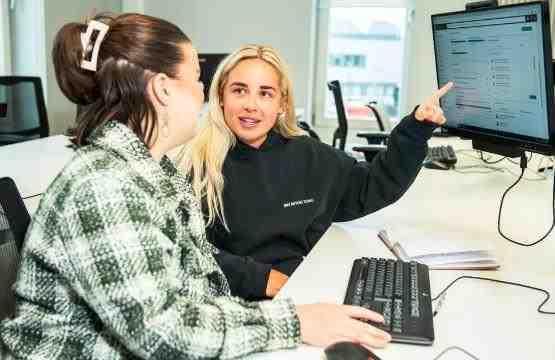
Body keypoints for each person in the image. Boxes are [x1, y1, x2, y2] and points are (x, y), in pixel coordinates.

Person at [0, 15, 391, 360]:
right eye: (198, 80)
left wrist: (295, 309)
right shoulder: (105, 187)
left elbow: (199, 281)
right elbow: (161, 334)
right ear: (163, 90)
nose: (206, 94)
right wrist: (294, 322)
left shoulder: (157, 171)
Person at [182, 45, 452, 300]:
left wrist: (415, 130)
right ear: (220, 97)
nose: (251, 104)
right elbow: (186, 250)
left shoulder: (308, 155)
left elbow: (373, 185)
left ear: (282, 104)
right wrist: (263, 279)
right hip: (238, 302)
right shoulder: (197, 164)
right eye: (239, 91)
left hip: (305, 289)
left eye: (265, 93)